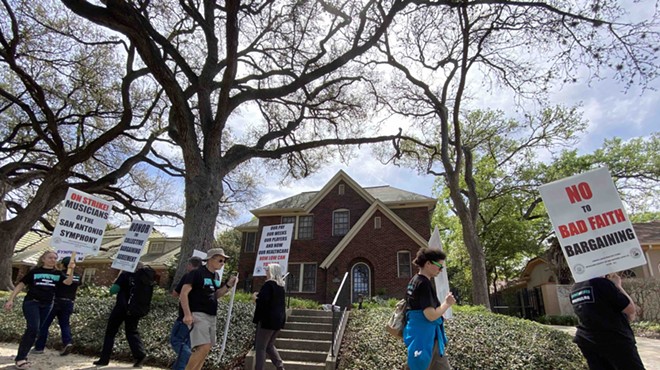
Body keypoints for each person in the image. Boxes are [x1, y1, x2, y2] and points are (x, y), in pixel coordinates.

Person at [4, 250, 76, 369]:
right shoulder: (34, 271)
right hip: (32, 302)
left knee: (35, 331)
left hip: (47, 305)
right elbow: (21, 285)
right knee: (33, 328)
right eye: (50, 257)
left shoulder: (57, 273)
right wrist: (11, 299)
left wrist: (71, 269)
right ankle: (21, 358)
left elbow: (68, 282)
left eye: (55, 258)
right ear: (43, 259)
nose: (53, 260)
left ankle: (22, 356)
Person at [571, 273, 645, 370]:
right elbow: (630, 309)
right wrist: (618, 286)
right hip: (614, 340)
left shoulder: (575, 287)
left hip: (587, 341)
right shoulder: (601, 283)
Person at [179, 248, 238, 370]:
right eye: (221, 260)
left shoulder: (216, 276)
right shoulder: (196, 273)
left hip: (211, 315)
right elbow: (183, 293)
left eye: (224, 261)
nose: (223, 263)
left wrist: (228, 285)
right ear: (210, 259)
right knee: (204, 347)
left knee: (207, 348)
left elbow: (215, 295)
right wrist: (187, 314)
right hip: (198, 313)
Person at [93, 263, 156, 368]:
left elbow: (112, 291)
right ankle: (140, 355)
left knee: (110, 332)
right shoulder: (145, 277)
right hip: (135, 309)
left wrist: (119, 276)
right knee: (132, 331)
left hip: (121, 308)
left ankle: (104, 359)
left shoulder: (125, 275)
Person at [403, 248, 456, 370]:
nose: (441, 270)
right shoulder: (424, 284)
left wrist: (440, 315)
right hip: (426, 338)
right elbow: (430, 315)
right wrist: (447, 303)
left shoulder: (414, 281)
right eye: (439, 266)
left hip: (421, 335)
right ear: (428, 264)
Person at [33, 256, 82, 356]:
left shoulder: (58, 274)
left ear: (63, 265)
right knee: (65, 324)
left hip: (55, 301)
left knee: (45, 324)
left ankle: (39, 347)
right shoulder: (78, 276)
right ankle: (67, 342)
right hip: (69, 302)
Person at [169, 256, 203, 370]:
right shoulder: (206, 276)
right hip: (200, 317)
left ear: (190, 265)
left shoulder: (189, 276)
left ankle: (190, 360)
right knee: (186, 343)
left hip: (186, 316)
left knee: (176, 341)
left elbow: (176, 293)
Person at [252, 263, 287, 370]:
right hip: (278, 321)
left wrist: (255, 298)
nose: (266, 271)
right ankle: (280, 366)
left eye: (267, 269)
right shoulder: (280, 287)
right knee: (269, 345)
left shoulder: (269, 284)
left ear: (272, 271)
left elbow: (263, 301)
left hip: (267, 321)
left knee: (261, 347)